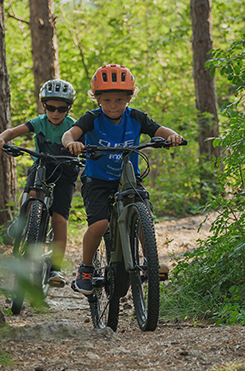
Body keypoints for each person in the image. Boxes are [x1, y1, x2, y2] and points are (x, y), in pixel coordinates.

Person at [61, 64, 183, 295]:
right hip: (96, 180)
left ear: (129, 98)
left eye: (119, 99)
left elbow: (158, 130)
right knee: (100, 224)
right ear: (97, 99)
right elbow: (70, 133)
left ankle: (150, 263)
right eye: (107, 100)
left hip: (128, 179)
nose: (113, 105)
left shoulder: (135, 118)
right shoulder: (91, 119)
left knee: (143, 213)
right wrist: (71, 144)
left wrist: (172, 136)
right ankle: (85, 269)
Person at [0, 79, 79, 288]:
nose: (55, 113)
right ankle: (21, 223)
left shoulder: (74, 126)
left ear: (69, 108)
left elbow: (85, 139)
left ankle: (55, 268)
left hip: (65, 172)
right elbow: (13, 131)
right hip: (42, 168)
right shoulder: (39, 122)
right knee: (30, 197)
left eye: (61, 108)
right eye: (50, 107)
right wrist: (1, 138)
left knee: (59, 219)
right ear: (43, 105)